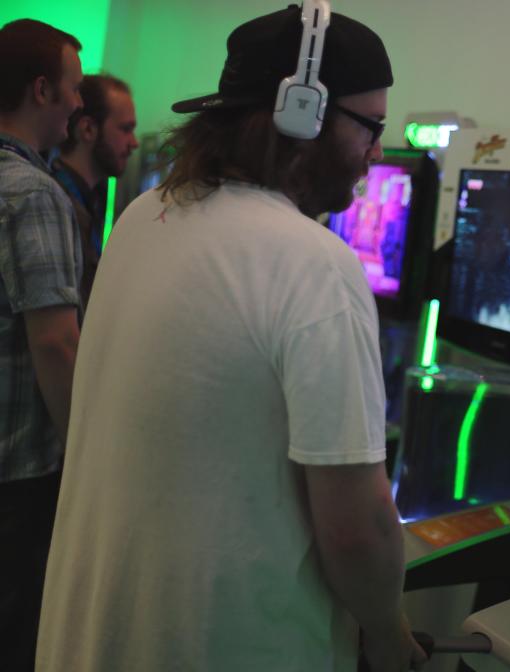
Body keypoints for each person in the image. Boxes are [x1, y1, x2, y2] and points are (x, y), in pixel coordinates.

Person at [36, 4, 425, 672]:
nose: (378, 151)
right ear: (303, 112)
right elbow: (355, 530)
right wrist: (391, 636)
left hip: (91, 641)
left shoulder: (140, 220)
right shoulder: (316, 267)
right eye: (372, 127)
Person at [0, 18, 84, 672]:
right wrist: (90, 453)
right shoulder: (34, 195)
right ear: (41, 91)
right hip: (20, 481)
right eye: (73, 88)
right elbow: (55, 344)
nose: (80, 104)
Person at [52, 74, 139, 304]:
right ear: (88, 129)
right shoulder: (55, 204)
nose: (134, 142)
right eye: (125, 129)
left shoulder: (88, 200)